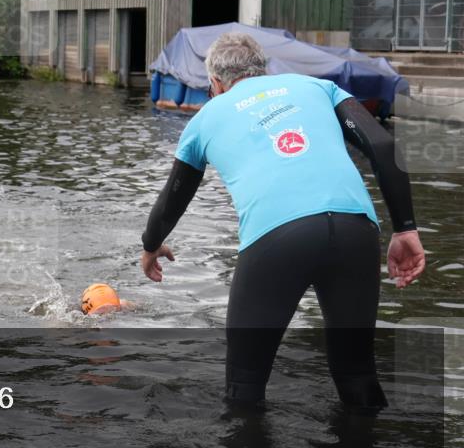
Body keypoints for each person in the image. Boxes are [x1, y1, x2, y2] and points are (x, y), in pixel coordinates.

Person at [139, 32, 424, 411]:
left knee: (245, 386)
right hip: (356, 229)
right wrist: (405, 228)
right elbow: (385, 147)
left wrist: (150, 245)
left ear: (216, 83)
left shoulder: (205, 118)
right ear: (265, 69)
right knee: (357, 373)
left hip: (276, 236)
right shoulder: (318, 87)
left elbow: (174, 197)